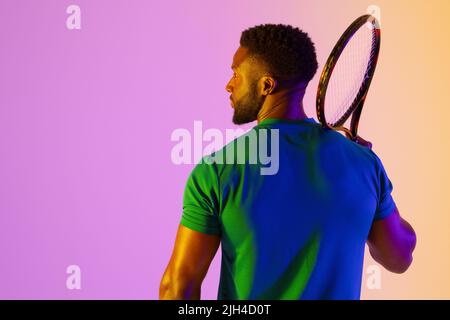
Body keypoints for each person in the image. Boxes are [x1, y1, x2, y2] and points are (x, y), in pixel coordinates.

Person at [159, 24, 416, 300]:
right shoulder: (365, 165)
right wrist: (372, 177)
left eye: (236, 73)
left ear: (266, 85)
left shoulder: (217, 171)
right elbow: (399, 257)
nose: (228, 85)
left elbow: (176, 287)